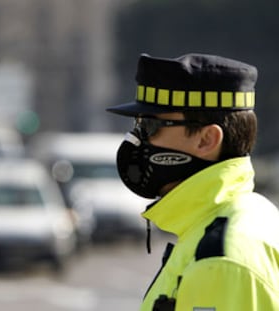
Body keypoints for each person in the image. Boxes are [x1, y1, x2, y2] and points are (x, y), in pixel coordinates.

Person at [106, 53, 279, 310]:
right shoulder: (247, 213)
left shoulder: (219, 260)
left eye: (151, 126)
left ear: (206, 140)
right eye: (138, 124)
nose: (136, 138)